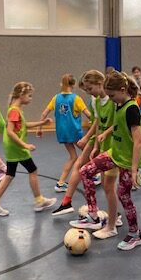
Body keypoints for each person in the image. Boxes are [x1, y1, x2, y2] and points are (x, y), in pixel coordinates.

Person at [70, 71, 141, 250]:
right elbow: (117, 124)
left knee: (124, 196)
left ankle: (135, 234)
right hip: (114, 153)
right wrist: (104, 135)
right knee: (85, 171)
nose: (110, 99)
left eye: (112, 95)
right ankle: (93, 215)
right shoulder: (119, 103)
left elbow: (138, 141)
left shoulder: (132, 109)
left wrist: (134, 169)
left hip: (127, 161)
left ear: (123, 90)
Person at [52, 70, 118, 219]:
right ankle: (66, 202)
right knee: (80, 165)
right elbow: (97, 121)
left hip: (110, 142)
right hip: (97, 139)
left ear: (100, 84)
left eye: (90, 89)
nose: (89, 92)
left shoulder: (112, 100)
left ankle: (114, 215)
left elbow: (117, 123)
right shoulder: (95, 101)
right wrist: (90, 139)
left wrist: (102, 135)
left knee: (107, 183)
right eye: (86, 90)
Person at [0, 82, 56, 217]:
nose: (31, 98)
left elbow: (24, 125)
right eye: (29, 95)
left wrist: (42, 123)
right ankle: (39, 201)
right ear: (21, 95)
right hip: (16, 147)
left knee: (10, 175)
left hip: (12, 147)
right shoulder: (14, 111)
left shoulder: (16, 109)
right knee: (32, 170)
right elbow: (10, 131)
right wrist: (24, 145)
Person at [40, 74, 90, 192]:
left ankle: (61, 183)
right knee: (88, 152)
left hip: (62, 133)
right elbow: (88, 114)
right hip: (74, 132)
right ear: (73, 85)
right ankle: (94, 174)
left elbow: (44, 113)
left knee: (73, 157)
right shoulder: (76, 99)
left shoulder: (56, 98)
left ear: (61, 84)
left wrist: (39, 128)